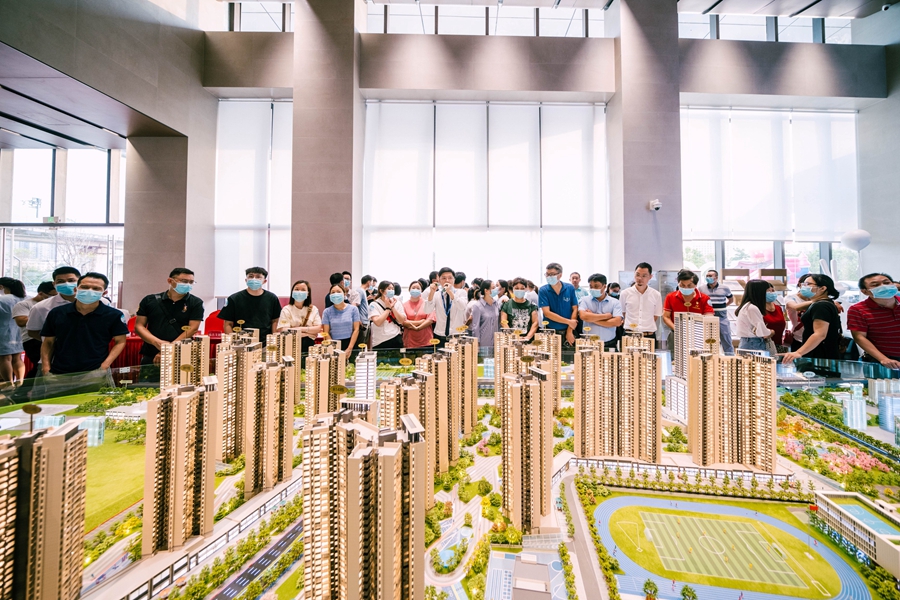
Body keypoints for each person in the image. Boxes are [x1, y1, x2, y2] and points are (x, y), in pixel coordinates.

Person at [40, 272, 129, 375]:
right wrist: (46, 368)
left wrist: (104, 366)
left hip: (95, 371)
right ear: (75, 289)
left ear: (104, 293)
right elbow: (48, 342)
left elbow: (120, 341)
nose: (89, 291)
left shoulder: (114, 315)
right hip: (59, 371)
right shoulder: (57, 313)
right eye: (84, 287)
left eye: (96, 289)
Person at [134, 268, 204, 368]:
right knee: (149, 378)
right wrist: (157, 343)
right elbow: (139, 326)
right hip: (152, 351)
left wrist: (169, 348)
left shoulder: (196, 303)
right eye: (184, 281)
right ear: (170, 281)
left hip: (181, 352)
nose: (188, 285)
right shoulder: (149, 300)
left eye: (191, 282)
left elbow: (193, 328)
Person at [783, 274, 843, 364]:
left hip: (819, 354)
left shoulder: (821, 305)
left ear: (822, 288)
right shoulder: (825, 303)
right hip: (821, 352)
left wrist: (799, 352)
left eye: (808, 284)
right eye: (803, 284)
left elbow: (820, 334)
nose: (804, 287)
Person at [848, 272, 900, 369]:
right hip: (882, 361)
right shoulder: (858, 309)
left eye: (887, 283)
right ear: (865, 291)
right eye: (875, 285)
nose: (883, 286)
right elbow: (859, 337)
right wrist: (883, 359)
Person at [219, 267, 283, 339]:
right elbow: (228, 324)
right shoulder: (234, 299)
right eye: (251, 276)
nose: (254, 279)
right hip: (241, 341)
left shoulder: (272, 298)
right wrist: (233, 341)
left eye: (258, 277)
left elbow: (275, 321)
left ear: (264, 281)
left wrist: (274, 340)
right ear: (246, 280)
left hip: (265, 341)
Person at [26, 266, 81, 343]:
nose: (66, 284)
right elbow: (32, 331)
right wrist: (54, 343)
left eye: (71, 280)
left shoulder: (96, 303)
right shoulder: (41, 307)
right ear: (54, 284)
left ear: (81, 281)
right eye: (60, 281)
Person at [13, 281, 56, 379]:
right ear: (40, 293)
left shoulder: (54, 304)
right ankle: (26, 387)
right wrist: (41, 318)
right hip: (32, 339)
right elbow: (21, 321)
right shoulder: (24, 304)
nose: (53, 298)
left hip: (50, 337)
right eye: (51, 296)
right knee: (39, 365)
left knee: (49, 364)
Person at [663, 269, 714, 351]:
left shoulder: (704, 298)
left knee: (697, 357)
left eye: (689, 285)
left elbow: (709, 317)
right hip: (676, 334)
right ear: (678, 283)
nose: (685, 288)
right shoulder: (671, 297)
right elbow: (666, 317)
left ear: (695, 285)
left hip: (698, 336)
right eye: (682, 285)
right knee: (675, 357)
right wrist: (677, 329)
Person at [578, 273, 623, 351]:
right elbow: (583, 316)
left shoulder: (615, 302)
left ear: (604, 286)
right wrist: (606, 316)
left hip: (609, 343)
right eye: (591, 286)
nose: (593, 289)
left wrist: (591, 317)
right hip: (589, 343)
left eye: (596, 286)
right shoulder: (584, 300)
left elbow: (617, 322)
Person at [424, 267, 468, 344]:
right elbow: (427, 310)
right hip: (440, 336)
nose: (447, 280)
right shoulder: (436, 294)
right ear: (439, 280)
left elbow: (462, 306)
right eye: (444, 278)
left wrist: (450, 292)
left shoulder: (461, 292)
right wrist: (431, 293)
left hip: (457, 335)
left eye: (450, 278)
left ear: (454, 279)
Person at [277, 280, 322, 354]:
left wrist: (296, 329)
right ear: (292, 292)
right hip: (290, 345)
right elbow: (284, 330)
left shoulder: (313, 309)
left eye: (303, 290)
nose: (299, 292)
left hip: (309, 347)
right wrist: (308, 334)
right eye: (297, 289)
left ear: (308, 293)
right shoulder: (286, 309)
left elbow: (318, 328)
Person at [539, 262, 579, 345]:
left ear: (560, 275)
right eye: (547, 274)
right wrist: (569, 322)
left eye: (552, 274)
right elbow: (547, 313)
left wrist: (569, 330)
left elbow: (575, 309)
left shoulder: (569, 288)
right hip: (551, 330)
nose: (549, 277)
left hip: (568, 330)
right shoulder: (543, 290)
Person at [620, 263, 663, 338]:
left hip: (648, 335)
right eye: (637, 275)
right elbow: (623, 312)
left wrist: (645, 326)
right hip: (629, 334)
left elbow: (656, 315)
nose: (640, 278)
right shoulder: (625, 293)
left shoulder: (656, 294)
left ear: (650, 277)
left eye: (644, 276)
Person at [698, 269, 735, 355]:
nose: (708, 277)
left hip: (721, 316)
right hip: (707, 316)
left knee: (726, 336)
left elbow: (731, 299)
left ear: (716, 277)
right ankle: (709, 356)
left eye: (710, 276)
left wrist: (724, 306)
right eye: (707, 276)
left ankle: (730, 356)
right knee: (708, 338)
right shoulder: (701, 288)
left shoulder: (724, 288)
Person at [734, 280, 774, 352]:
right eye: (768, 291)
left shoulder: (748, 306)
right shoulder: (752, 308)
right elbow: (762, 331)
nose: (770, 293)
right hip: (753, 343)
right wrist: (771, 332)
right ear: (760, 292)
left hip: (748, 342)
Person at [321, 283, 360, 356]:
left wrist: (349, 348)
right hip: (333, 344)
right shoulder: (327, 312)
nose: (336, 294)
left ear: (344, 294)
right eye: (333, 292)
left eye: (338, 292)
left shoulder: (353, 309)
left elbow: (356, 329)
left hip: (350, 343)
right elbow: (326, 332)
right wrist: (333, 348)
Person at [0, 278, 26, 385]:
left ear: (1, 287)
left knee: (4, 358)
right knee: (17, 358)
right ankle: (20, 383)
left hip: (3, 331)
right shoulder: (25, 298)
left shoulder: (2, 299)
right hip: (19, 332)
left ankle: (9, 384)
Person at [368, 282, 405, 349]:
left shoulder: (397, 302)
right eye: (389, 289)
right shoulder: (374, 304)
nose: (391, 291)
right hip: (380, 341)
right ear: (381, 291)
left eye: (392, 289)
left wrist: (392, 307)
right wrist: (388, 308)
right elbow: (378, 322)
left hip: (396, 337)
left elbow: (402, 320)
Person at [402, 280, 435, 349]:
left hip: (426, 340)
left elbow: (430, 320)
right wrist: (421, 322)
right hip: (410, 340)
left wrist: (418, 328)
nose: (415, 290)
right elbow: (404, 322)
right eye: (413, 288)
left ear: (421, 290)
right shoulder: (404, 305)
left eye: (418, 288)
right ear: (409, 290)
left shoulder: (427, 303)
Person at [470, 279, 501, 348]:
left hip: (496, 343)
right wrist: (477, 344)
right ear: (486, 291)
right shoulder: (478, 306)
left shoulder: (496, 304)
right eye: (493, 288)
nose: (496, 289)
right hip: (483, 343)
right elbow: (475, 327)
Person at [354, 275, 377, 344]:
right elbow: (354, 305)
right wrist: (358, 319)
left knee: (364, 343)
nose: (372, 285)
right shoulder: (360, 291)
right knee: (361, 344)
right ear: (368, 282)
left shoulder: (362, 291)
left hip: (365, 320)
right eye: (372, 282)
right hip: (362, 322)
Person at [763, 285, 787, 350]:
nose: (771, 293)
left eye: (773, 290)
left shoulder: (778, 308)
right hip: (764, 346)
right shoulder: (758, 309)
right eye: (768, 291)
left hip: (779, 345)